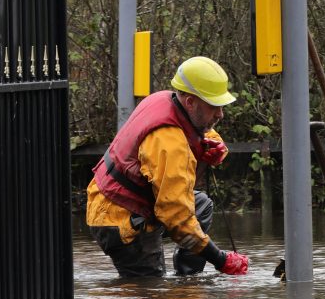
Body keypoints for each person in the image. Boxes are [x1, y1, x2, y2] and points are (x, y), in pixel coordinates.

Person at [86, 56, 249, 279]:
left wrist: (214, 145)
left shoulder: (167, 99)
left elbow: (200, 130)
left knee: (200, 205)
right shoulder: (169, 144)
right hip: (119, 220)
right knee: (152, 298)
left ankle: (188, 280)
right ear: (191, 101)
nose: (220, 114)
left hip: (126, 202)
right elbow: (177, 219)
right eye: (214, 106)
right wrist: (221, 260)